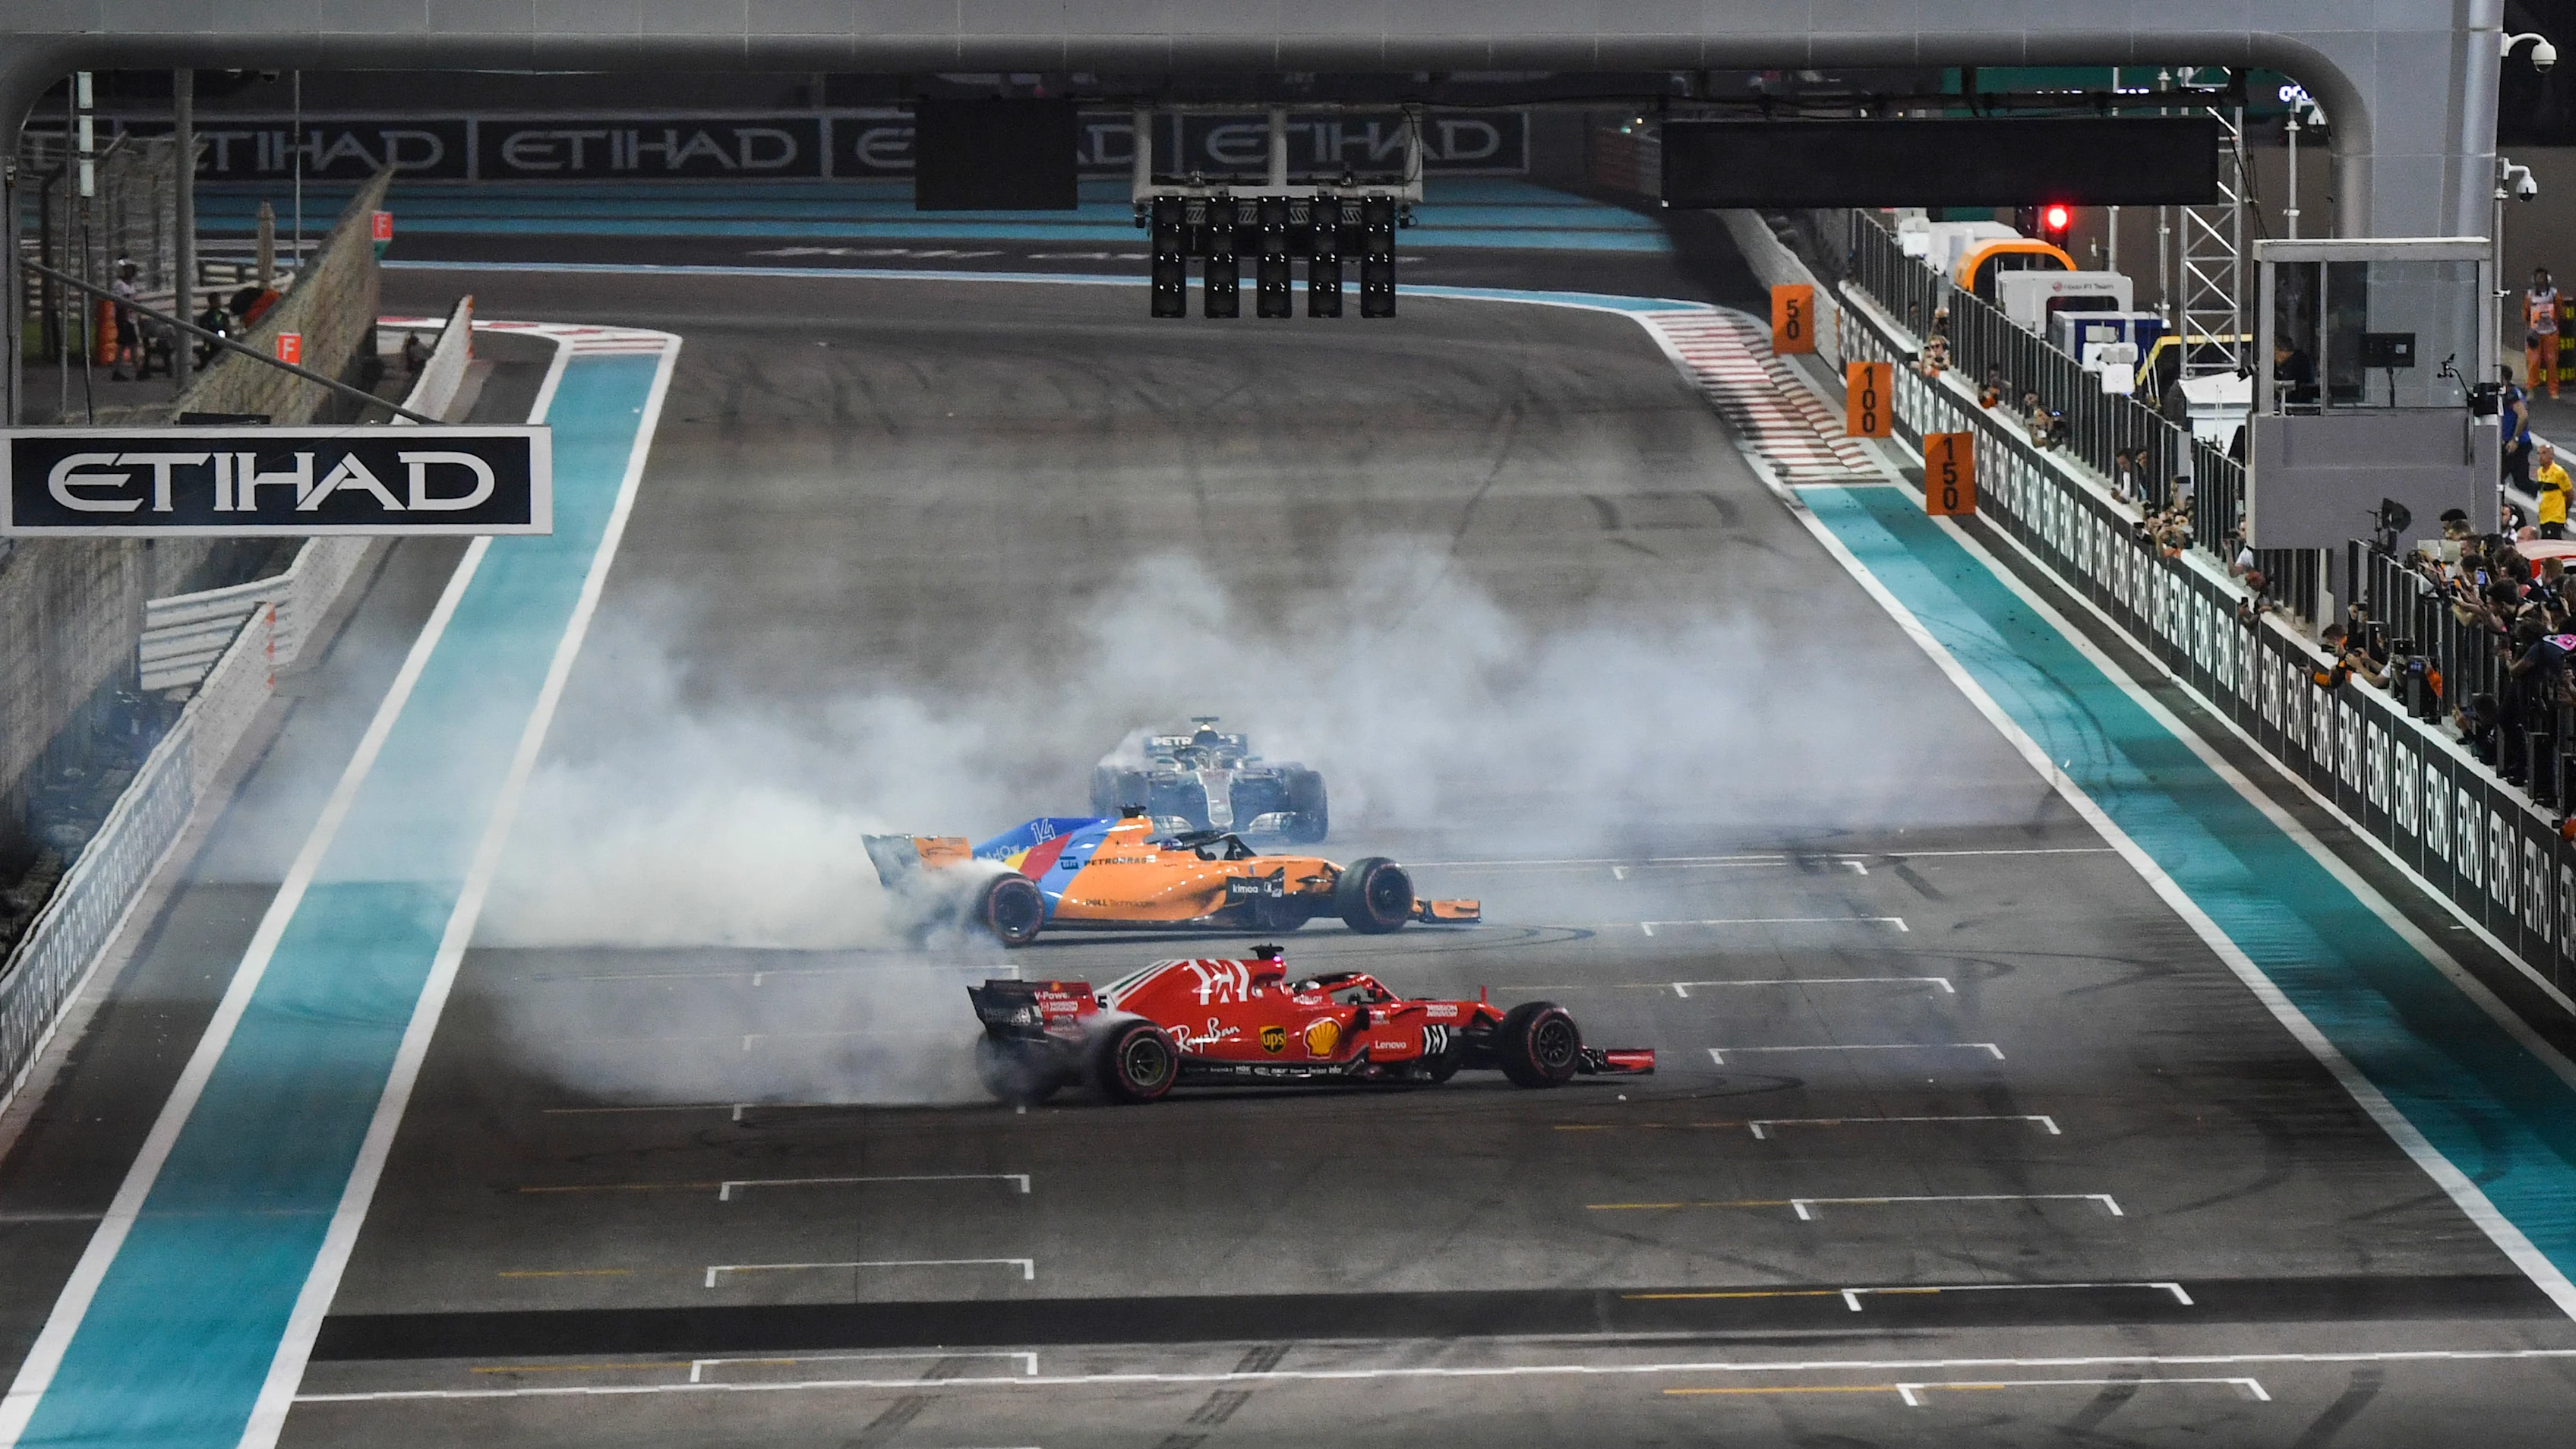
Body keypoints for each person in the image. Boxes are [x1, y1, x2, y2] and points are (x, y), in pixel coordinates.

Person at [2530, 265, 2563, 401]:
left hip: (2551, 333)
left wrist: (2554, 323)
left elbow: (2560, 311)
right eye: (2538, 278)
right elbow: (2526, 313)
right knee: (2533, 362)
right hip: (2535, 333)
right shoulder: (2530, 295)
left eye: (2542, 278)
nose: (2540, 281)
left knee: (2551, 362)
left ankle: (2553, 390)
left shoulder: (2554, 294)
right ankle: (2531, 389)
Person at [2502, 365, 2534, 492]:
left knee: (2521, 482)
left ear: (2504, 379)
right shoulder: (2508, 392)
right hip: (2512, 444)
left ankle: (2552, 494)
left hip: (2517, 446)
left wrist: (2515, 439)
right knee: (2520, 482)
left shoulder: (2511, 395)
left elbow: (2523, 416)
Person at [109, 260, 140, 382]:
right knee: (131, 345)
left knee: (124, 345)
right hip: (124, 318)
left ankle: (118, 371)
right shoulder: (119, 285)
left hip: (131, 318)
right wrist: (125, 319)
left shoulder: (131, 285)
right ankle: (138, 370)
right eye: (127, 269)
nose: (130, 272)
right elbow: (122, 302)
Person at [2539, 440, 2574, 540]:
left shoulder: (2559, 472)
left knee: (2551, 543)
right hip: (2544, 516)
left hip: (2555, 517)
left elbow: (2570, 494)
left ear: (2551, 456)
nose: (2540, 456)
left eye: (2544, 453)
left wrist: (2564, 513)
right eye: (2539, 453)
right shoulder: (2540, 471)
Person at [2273, 338, 2319, 407]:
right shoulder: (2293, 360)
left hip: (2298, 403)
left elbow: (2287, 384)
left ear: (2284, 351)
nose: (2275, 358)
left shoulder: (2297, 362)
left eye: (2276, 353)